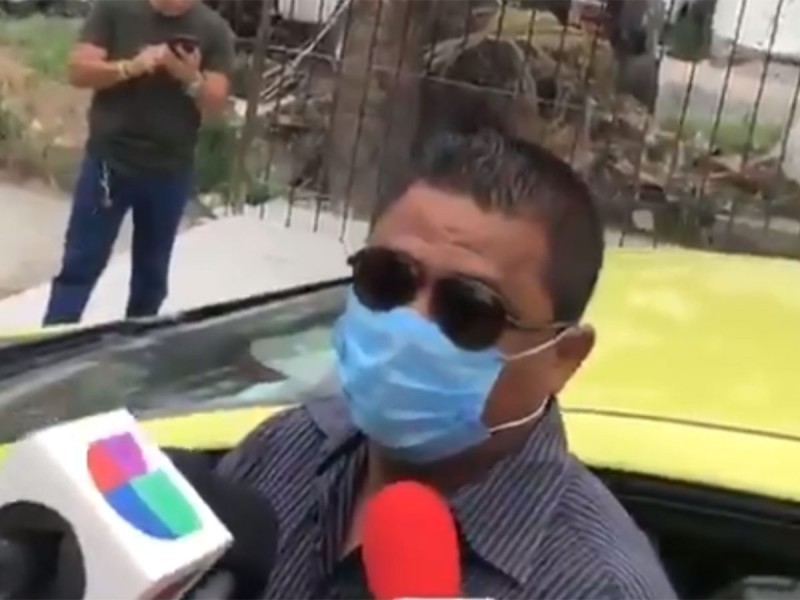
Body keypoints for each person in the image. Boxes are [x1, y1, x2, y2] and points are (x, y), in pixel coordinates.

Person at [216, 130, 678, 599]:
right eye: (387, 278)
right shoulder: (284, 451)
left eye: (469, 309)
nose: (409, 323)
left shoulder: (601, 588)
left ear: (563, 357)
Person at [43, 0, 235, 325]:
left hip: (169, 170)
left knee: (151, 276)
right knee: (81, 264)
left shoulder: (214, 29)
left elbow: (217, 105)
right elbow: (78, 70)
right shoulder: (116, 9)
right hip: (109, 163)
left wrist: (190, 78)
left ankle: (138, 345)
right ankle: (52, 345)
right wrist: (129, 67)